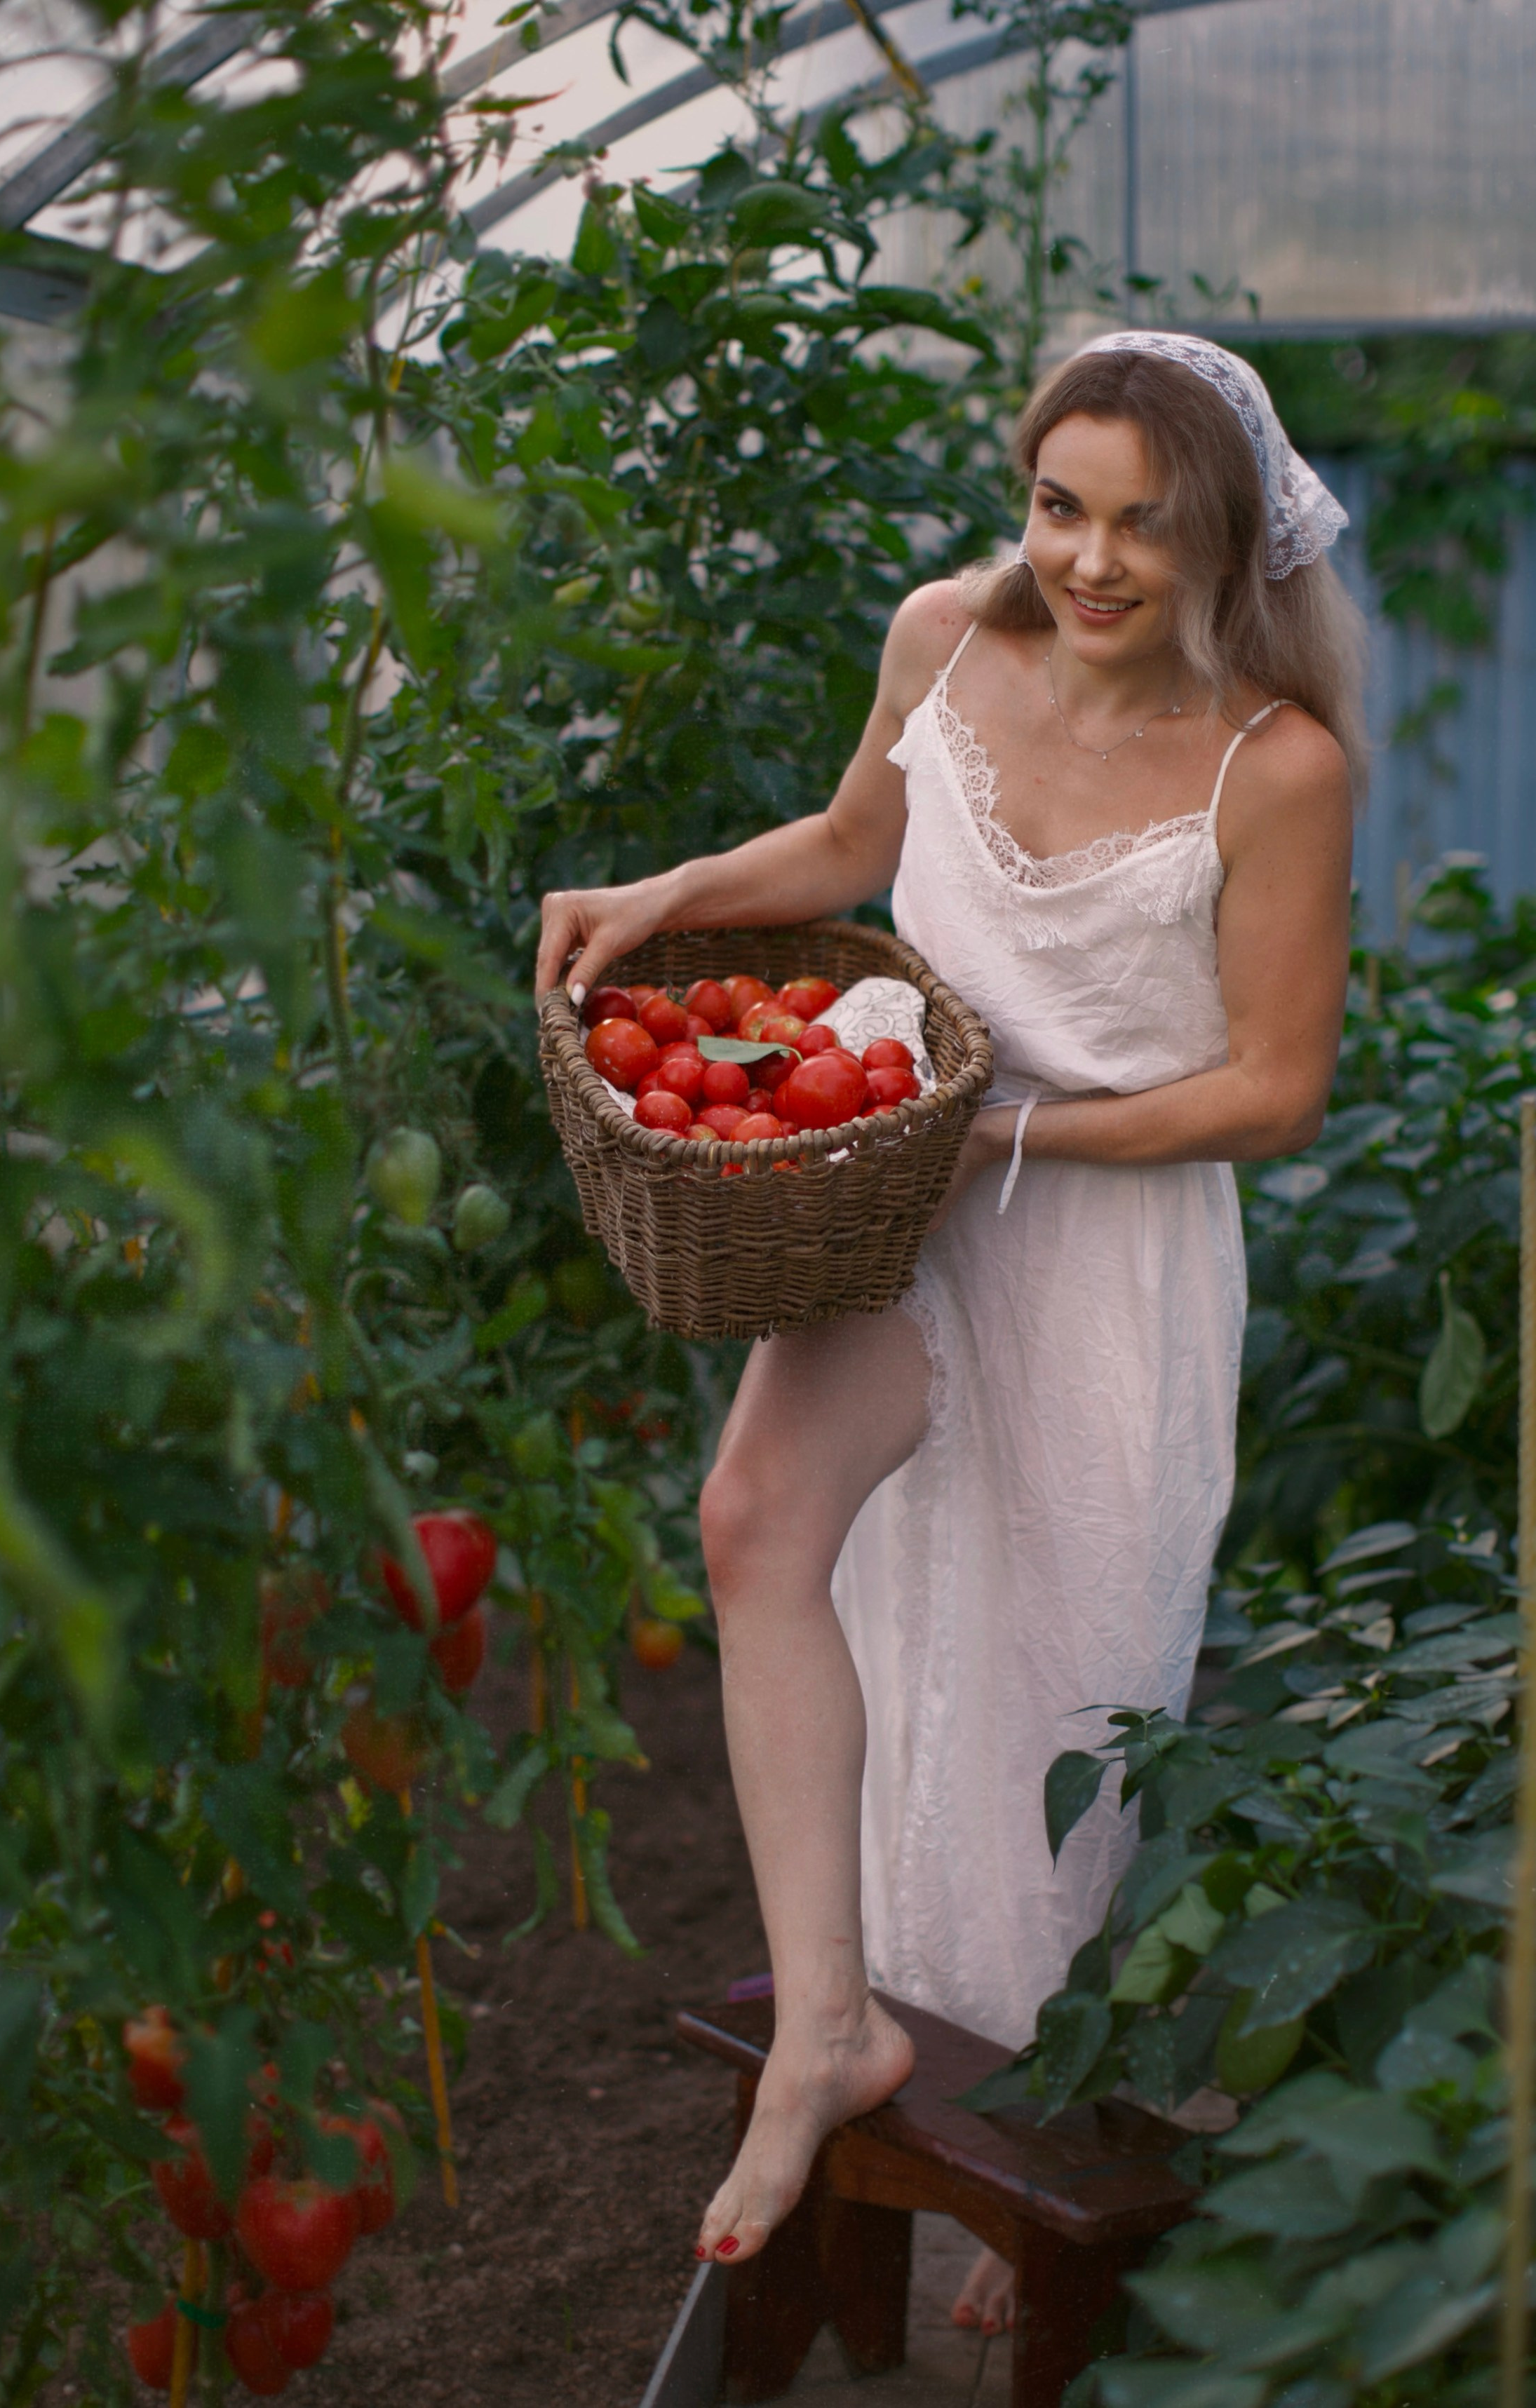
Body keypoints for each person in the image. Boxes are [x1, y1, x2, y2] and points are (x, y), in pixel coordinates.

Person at [534, 332, 1365, 2316]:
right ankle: (830, 2028)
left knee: (1059, 1695)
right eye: (1059, 505)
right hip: (896, 1202)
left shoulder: (1277, 765)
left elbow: (1275, 1091)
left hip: (1103, 1248)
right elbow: (851, 849)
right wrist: (663, 893)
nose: (1087, 560)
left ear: (1226, 539)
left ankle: (1044, 2097)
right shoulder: (947, 636)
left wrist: (1017, 1133)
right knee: (762, 1528)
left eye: (1141, 526)